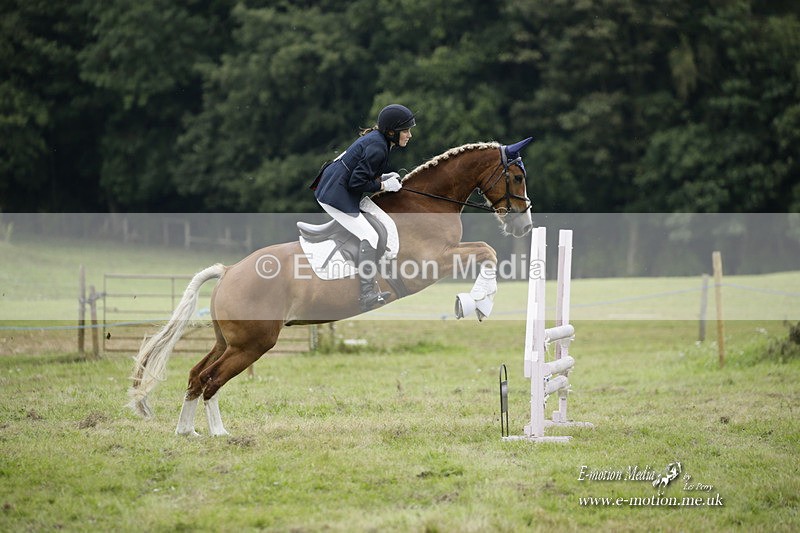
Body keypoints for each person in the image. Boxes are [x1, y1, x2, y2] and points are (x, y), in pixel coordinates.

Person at [312, 104, 416, 311]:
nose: (409, 135)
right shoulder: (378, 147)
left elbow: (360, 174)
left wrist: (383, 178)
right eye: (405, 130)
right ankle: (367, 293)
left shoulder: (379, 141)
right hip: (335, 196)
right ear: (391, 132)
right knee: (371, 235)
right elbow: (356, 183)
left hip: (341, 189)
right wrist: (384, 185)